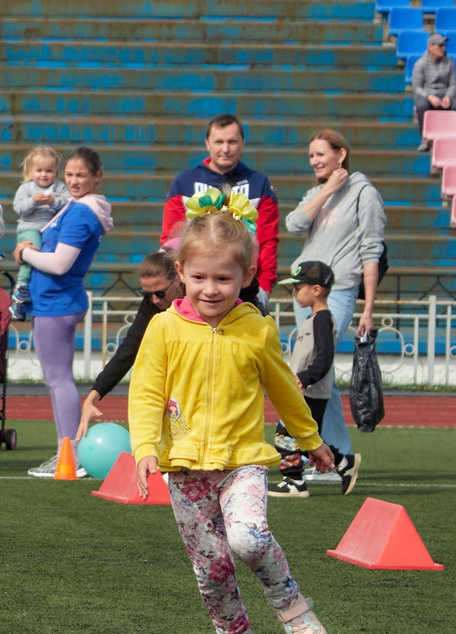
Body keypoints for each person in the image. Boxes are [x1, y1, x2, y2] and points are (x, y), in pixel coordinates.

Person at [130, 207, 334, 634]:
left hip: (242, 461)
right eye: (199, 276)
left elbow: (284, 387)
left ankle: (291, 606)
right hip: (184, 469)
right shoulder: (163, 328)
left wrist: (310, 439)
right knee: (213, 567)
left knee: (248, 539)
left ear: (245, 276)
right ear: (180, 273)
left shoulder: (256, 328)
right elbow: (145, 394)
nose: (210, 289)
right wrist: (144, 449)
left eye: (224, 278)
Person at [278, 126, 381, 488]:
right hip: (305, 289)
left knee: (310, 370)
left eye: (321, 153)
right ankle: (334, 455)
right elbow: (293, 225)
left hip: (338, 289)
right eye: (311, 156)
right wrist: (327, 190)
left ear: (341, 154)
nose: (315, 160)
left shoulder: (364, 193)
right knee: (321, 376)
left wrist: (367, 307)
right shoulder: (318, 191)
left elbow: (372, 249)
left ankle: (316, 455)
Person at [13, 145, 113, 476]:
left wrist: (25, 254)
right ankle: (66, 452)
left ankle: (71, 454)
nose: (72, 181)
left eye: (81, 175)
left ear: (97, 176)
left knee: (59, 380)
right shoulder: (77, 207)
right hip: (53, 300)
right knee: (57, 379)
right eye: (68, 174)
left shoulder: (82, 212)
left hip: (58, 300)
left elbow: (59, 263)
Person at [160, 113, 279, 302]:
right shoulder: (184, 183)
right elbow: (171, 239)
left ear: (242, 142)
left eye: (232, 141)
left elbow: (267, 241)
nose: (226, 149)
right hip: (196, 286)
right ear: (207, 143)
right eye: (219, 142)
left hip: (245, 285)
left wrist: (264, 287)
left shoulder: (260, 183)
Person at [80, 250, 180, 431]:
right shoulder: (152, 304)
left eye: (159, 293)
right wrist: (94, 395)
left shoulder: (203, 299)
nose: (154, 300)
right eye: (147, 294)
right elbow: (128, 350)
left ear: (179, 278)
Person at [276, 261, 340, 499]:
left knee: (287, 434)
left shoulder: (322, 318)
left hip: (310, 392)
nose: (294, 293)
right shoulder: (313, 318)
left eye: (298, 288)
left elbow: (324, 358)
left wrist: (304, 378)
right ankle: (344, 463)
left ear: (316, 290)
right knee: (306, 437)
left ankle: (293, 481)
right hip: (304, 390)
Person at [8, 144, 66, 322]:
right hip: (30, 227)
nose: (44, 175)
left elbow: (67, 204)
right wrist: (33, 201)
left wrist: (53, 202)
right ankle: (21, 286)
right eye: (39, 170)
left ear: (56, 172)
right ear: (31, 171)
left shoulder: (59, 187)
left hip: (50, 228)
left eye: (49, 171)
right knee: (33, 250)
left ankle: (34, 294)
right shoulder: (27, 189)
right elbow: (18, 208)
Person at [408, 35, 456, 144]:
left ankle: (448, 134)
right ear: (430, 47)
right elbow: (416, 86)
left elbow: (453, 83)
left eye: (444, 45)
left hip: (443, 94)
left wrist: (448, 96)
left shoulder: (450, 63)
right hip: (428, 95)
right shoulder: (420, 63)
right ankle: (424, 137)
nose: (443, 48)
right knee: (421, 105)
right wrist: (429, 96)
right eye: (440, 45)